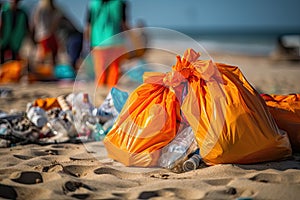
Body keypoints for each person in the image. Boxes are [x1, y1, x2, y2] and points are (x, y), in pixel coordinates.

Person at [85, 0, 128, 87]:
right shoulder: (120, 3)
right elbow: (124, 24)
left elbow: (89, 25)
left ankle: (101, 88)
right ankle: (111, 89)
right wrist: (130, 39)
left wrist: (88, 41)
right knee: (114, 69)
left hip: (97, 41)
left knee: (100, 69)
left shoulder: (93, 4)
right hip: (116, 41)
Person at [31, 0, 62, 66]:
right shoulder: (40, 8)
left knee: (53, 51)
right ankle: (41, 68)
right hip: (43, 34)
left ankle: (50, 68)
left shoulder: (50, 9)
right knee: (43, 54)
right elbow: (35, 22)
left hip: (48, 33)